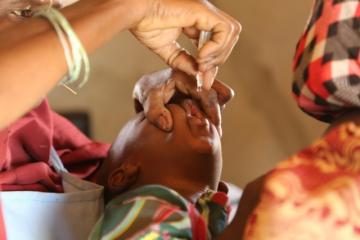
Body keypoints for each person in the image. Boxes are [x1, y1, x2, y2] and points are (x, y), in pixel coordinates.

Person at [0, 0, 241, 131]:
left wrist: (147, 132)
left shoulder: (42, 138)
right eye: (24, 12)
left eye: (58, 13)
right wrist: (137, 7)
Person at [89, 70, 243, 239]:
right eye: (147, 119)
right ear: (122, 177)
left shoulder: (209, 221)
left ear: (220, 191)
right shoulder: (137, 211)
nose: (185, 105)